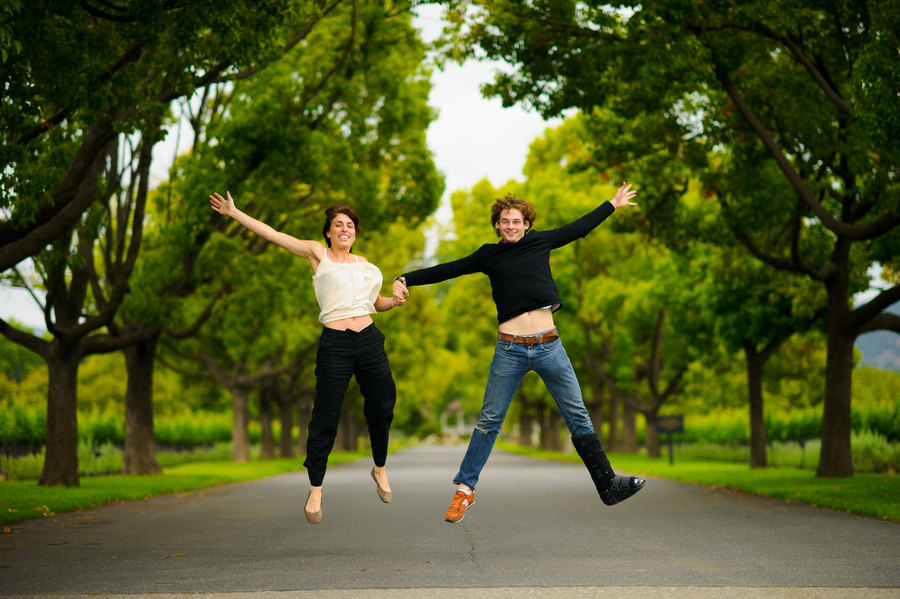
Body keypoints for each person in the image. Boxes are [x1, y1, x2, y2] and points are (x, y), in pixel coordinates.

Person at [393, 182, 645, 523]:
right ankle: (464, 491)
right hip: (509, 349)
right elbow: (447, 269)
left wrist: (612, 204)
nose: (511, 226)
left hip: (549, 346)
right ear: (497, 225)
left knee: (578, 415)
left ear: (526, 224)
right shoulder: (488, 255)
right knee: (489, 420)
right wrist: (405, 278)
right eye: (505, 222)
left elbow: (578, 228)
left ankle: (607, 484)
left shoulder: (541, 242)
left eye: (516, 221)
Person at [210, 191, 401, 524]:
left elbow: (375, 303)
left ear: (356, 233)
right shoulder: (318, 254)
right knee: (326, 415)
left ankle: (380, 467)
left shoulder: (367, 266)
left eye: (350, 225)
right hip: (336, 344)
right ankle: (316, 488)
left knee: (383, 405)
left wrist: (394, 301)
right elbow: (274, 235)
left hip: (370, 340)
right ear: (328, 232)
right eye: (338, 225)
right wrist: (235, 213)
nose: (345, 229)